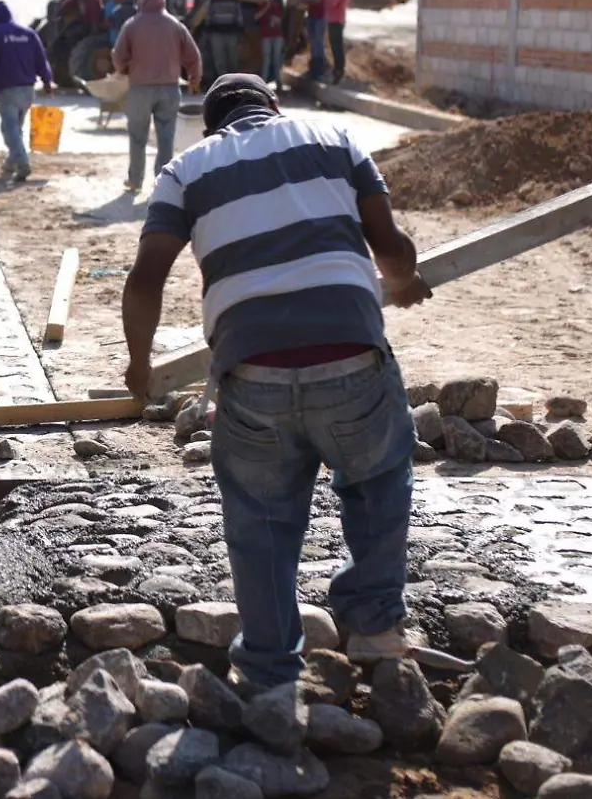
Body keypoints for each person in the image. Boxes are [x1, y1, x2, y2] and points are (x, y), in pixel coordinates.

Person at [120, 73, 431, 689]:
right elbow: (390, 244)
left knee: (261, 520)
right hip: (351, 357)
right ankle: (373, 626)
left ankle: (267, 668)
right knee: (376, 480)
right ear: (274, 108)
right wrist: (402, 280)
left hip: (252, 368)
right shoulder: (337, 138)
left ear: (212, 127)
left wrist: (139, 365)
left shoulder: (186, 170)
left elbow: (145, 278)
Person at [110, 0, 201, 193]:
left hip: (140, 90)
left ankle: (135, 180)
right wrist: (194, 79)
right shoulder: (175, 25)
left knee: (137, 136)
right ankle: (163, 182)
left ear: (142, 1)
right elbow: (193, 55)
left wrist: (123, 69)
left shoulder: (132, 25)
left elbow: (118, 55)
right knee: (166, 137)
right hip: (169, 89)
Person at [0, 0, 54, 183]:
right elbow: (41, 59)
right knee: (16, 129)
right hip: (28, 91)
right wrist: (47, 81)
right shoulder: (29, 34)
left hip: (7, 90)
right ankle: (10, 164)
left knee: (8, 129)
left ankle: (22, 162)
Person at [303, 0, 332, 82]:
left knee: (318, 42)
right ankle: (314, 67)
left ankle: (322, 67)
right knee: (313, 42)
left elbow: (317, 0)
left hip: (321, 16)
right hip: (311, 15)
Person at [322, 0, 352, 84]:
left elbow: (333, 2)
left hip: (337, 21)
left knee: (338, 47)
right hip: (332, 20)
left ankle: (339, 71)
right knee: (334, 47)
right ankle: (336, 70)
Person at [256, 0, 286, 85]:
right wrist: (267, 7)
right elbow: (256, 17)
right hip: (266, 35)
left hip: (277, 35)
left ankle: (278, 80)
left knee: (276, 58)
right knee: (266, 58)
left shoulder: (280, 8)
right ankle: (264, 81)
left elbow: (283, 19)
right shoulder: (263, 5)